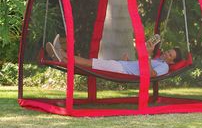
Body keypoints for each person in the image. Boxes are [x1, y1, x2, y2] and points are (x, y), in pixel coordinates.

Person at [46, 34, 182, 78]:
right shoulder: (157, 60)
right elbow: (141, 67)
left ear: (172, 61)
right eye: (168, 51)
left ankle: (61, 54)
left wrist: (147, 55)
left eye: (169, 55)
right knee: (90, 63)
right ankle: (61, 57)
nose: (166, 53)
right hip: (122, 65)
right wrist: (129, 61)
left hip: (121, 70)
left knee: (89, 63)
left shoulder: (164, 67)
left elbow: (150, 75)